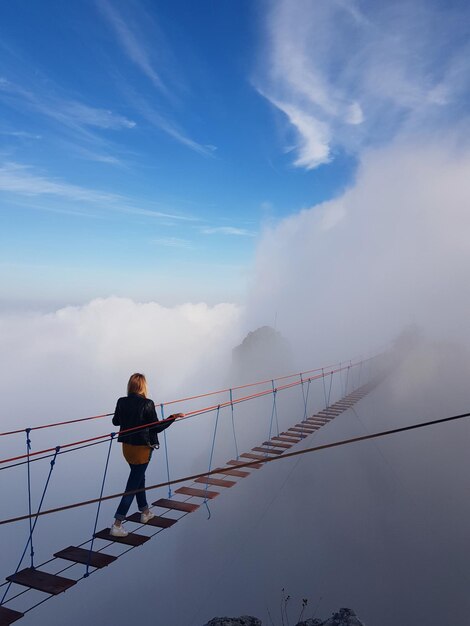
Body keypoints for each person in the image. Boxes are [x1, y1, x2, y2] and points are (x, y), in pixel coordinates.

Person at [110, 373, 183, 537]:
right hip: (142, 449)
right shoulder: (147, 403)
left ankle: (145, 512)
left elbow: (115, 422)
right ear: (143, 386)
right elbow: (156, 427)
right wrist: (173, 417)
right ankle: (117, 524)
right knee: (132, 485)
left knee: (138, 479)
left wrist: (125, 414)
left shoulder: (121, 401)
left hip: (127, 448)